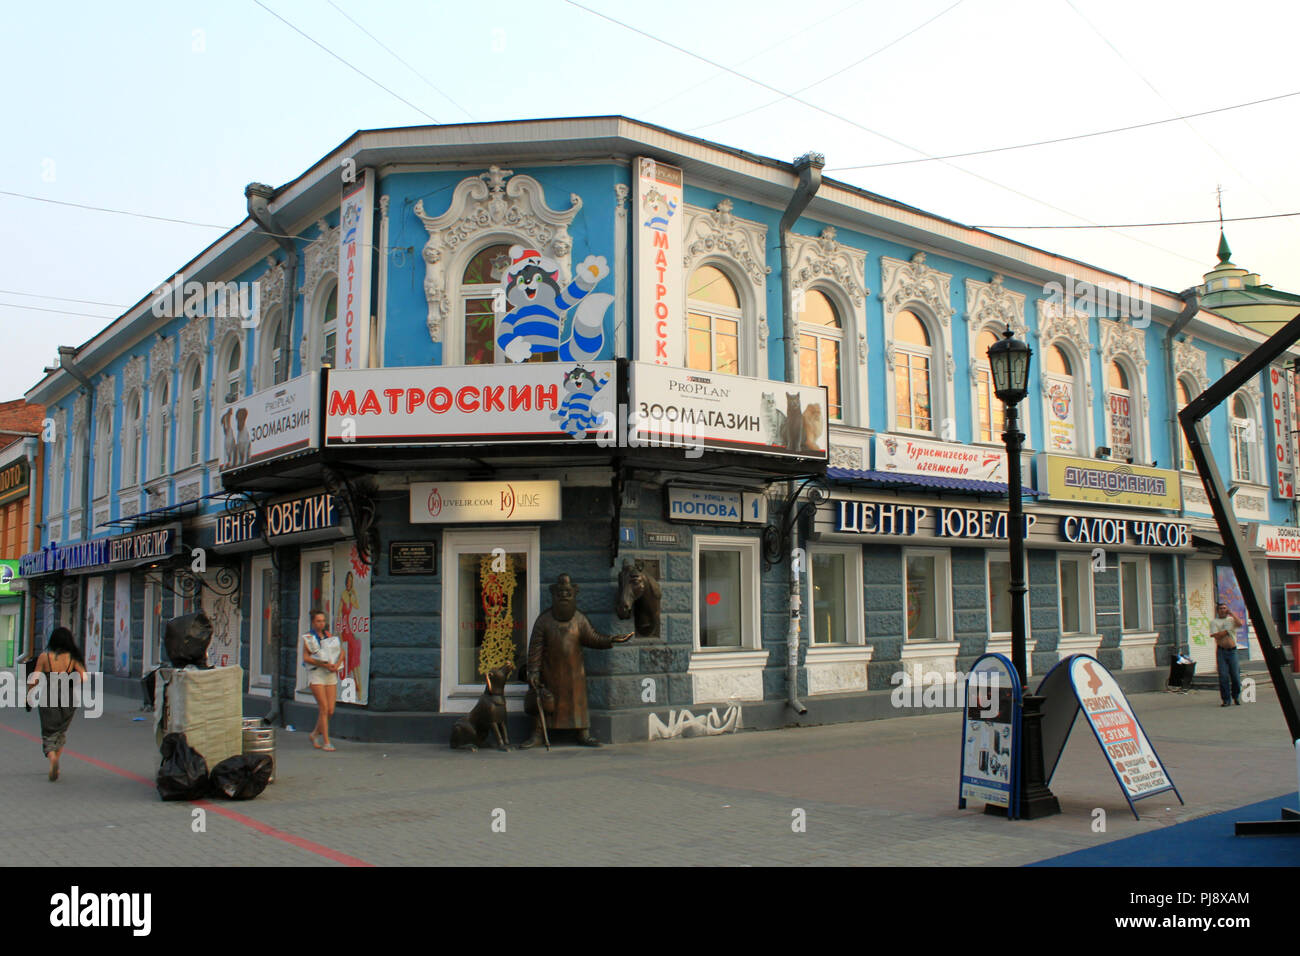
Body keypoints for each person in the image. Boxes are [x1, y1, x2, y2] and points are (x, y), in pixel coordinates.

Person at [519, 574, 632, 748]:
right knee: (544, 702)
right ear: (554, 596)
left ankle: (583, 733)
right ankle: (538, 734)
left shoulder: (579, 619)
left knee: (577, 702)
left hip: (574, 674)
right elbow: (535, 648)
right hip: (550, 673)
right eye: (560, 593)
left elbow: (592, 638)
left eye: (568, 593)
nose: (564, 596)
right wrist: (533, 671)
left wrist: (611, 640)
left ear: (574, 595)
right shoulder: (544, 620)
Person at [26, 627, 89, 781]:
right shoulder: (73, 658)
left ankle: (52, 758)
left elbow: (34, 679)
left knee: (48, 733)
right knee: (61, 731)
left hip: (49, 697)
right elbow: (84, 677)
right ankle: (56, 763)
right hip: (69, 698)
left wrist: (28, 695)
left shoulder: (44, 657)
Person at [301, 610, 344, 750]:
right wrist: (322, 664)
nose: (321, 623)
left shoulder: (329, 635)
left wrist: (337, 665)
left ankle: (314, 734)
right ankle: (326, 741)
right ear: (313, 622)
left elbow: (341, 651)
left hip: (330, 672)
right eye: (318, 621)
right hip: (317, 673)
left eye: (323, 621)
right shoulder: (309, 637)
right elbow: (306, 658)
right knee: (323, 708)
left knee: (330, 709)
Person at [1210, 601, 1244, 707]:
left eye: (1225, 608)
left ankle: (1236, 696)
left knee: (1235, 676)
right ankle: (1226, 699)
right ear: (1217, 611)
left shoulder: (1231, 620)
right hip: (1221, 652)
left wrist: (1232, 614)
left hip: (1232, 651)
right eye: (1221, 608)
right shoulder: (1214, 622)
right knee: (1223, 676)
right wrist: (1227, 630)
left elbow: (1240, 624)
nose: (1223, 610)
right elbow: (1216, 635)